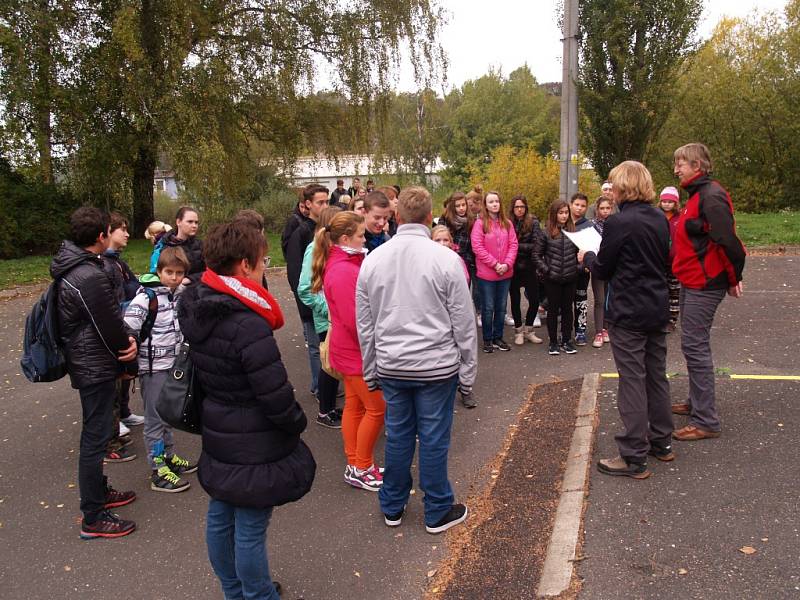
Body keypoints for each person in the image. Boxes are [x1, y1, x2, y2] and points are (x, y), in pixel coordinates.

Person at [179, 221, 315, 600]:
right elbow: (273, 394)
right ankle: (258, 595)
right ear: (243, 266)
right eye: (261, 262)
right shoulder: (246, 322)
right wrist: (295, 422)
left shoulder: (198, 304)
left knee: (222, 515)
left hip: (219, 426)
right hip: (254, 435)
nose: (262, 269)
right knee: (251, 524)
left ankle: (234, 591)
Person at [356, 186, 477, 534]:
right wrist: (468, 374)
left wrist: (371, 370)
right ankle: (437, 508)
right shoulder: (446, 260)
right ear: (429, 218)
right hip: (436, 366)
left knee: (398, 435)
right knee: (434, 437)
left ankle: (392, 504)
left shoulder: (373, 261)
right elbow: (464, 323)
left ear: (397, 217)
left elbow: (367, 325)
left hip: (392, 365)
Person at [579, 161, 673, 479]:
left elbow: (603, 268)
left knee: (632, 379)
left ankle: (634, 454)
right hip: (656, 307)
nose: (612, 191)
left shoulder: (620, 222)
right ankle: (661, 441)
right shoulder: (661, 218)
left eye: (615, 185)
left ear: (623, 187)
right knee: (656, 375)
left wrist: (588, 257)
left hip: (629, 311)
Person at [51, 207, 138, 539]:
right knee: (96, 438)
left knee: (98, 432)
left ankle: (99, 495)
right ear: (101, 236)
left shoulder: (77, 266)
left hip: (92, 360)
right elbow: (109, 321)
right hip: (94, 364)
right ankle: (92, 516)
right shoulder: (87, 274)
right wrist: (127, 349)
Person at [671, 142, 746, 441]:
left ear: (697, 166)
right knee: (691, 344)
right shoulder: (697, 195)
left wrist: (733, 278)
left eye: (681, 163)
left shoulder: (711, 196)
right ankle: (696, 404)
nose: (676, 168)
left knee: (695, 345)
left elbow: (729, 242)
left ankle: (706, 420)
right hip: (692, 279)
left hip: (705, 282)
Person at [313, 212, 386, 491]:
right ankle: (361, 466)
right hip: (356, 352)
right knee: (376, 409)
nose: (365, 239)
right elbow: (355, 321)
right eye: (360, 235)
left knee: (356, 406)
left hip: (351, 350)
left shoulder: (345, 263)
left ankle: (356, 462)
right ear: (345, 239)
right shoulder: (343, 270)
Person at [125, 246, 198, 492]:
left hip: (173, 366)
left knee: (167, 414)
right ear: (159, 271)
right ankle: (158, 470)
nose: (174, 277)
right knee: (155, 421)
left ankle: (168, 456)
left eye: (179, 273)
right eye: (169, 272)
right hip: (153, 369)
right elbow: (128, 325)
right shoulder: (147, 297)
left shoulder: (179, 295)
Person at [101, 212, 142, 463]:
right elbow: (111, 303)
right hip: (114, 330)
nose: (127, 234)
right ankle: (110, 438)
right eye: (122, 229)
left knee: (123, 377)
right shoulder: (104, 264)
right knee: (112, 382)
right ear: (108, 231)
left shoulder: (116, 261)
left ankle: (119, 421)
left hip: (124, 325)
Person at [297, 206, 343, 428]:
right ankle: (325, 412)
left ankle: (331, 407)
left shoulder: (336, 248)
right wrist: (330, 309)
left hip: (338, 318)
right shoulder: (314, 249)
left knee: (335, 365)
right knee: (329, 364)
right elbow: (305, 288)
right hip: (328, 319)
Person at [286, 184, 330, 398]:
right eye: (320, 202)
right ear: (308, 204)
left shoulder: (323, 229)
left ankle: (326, 383)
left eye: (327, 201)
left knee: (324, 345)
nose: (324, 206)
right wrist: (306, 304)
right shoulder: (302, 232)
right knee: (316, 347)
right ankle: (319, 386)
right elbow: (296, 273)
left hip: (322, 300)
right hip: (311, 302)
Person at [471, 191, 518, 353]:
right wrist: (495, 264)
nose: (494, 204)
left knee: (502, 307)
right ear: (485, 205)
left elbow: (513, 245)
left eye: (497, 201)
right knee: (488, 307)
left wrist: (506, 264)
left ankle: (498, 337)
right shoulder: (479, 224)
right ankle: (487, 339)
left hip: (505, 273)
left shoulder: (507, 223)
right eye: (491, 202)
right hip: (487, 274)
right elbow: (477, 247)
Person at [534, 200, 579, 355]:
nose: (564, 216)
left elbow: (582, 254)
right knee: (552, 310)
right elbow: (536, 255)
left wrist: (576, 269)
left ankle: (567, 340)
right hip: (552, 279)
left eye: (566, 212)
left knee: (568, 310)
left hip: (570, 278)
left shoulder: (574, 231)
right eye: (561, 213)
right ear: (554, 214)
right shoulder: (545, 232)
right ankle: (553, 342)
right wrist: (547, 270)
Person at [508, 195, 544, 346]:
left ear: (526, 207)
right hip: (513, 266)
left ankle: (529, 330)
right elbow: (506, 245)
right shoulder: (507, 222)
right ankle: (518, 331)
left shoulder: (533, 222)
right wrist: (518, 247)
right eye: (517, 207)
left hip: (530, 266)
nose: (519, 210)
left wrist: (516, 246)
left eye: (522, 206)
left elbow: (537, 244)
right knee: (515, 301)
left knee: (534, 300)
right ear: (513, 208)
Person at [149, 206, 205, 284]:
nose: (194, 225)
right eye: (190, 222)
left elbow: (210, 272)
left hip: (197, 288)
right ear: (178, 222)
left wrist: (190, 279)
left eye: (196, 222)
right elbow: (156, 273)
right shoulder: (164, 245)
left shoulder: (201, 246)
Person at [438, 191, 476, 291]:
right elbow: (439, 239)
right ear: (452, 207)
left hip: (465, 261)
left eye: (463, 205)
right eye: (458, 206)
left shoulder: (471, 220)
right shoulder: (445, 219)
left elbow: (472, 244)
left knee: (463, 291)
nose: (461, 208)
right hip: (446, 259)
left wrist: (467, 261)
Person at [590, 197, 614, 348]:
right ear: (597, 209)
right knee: (599, 299)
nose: (605, 211)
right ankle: (598, 331)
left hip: (612, 266)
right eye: (602, 208)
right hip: (598, 265)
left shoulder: (615, 224)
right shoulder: (592, 226)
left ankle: (606, 328)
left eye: (607, 208)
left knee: (608, 298)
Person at [658, 187, 682, 331]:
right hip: (659, 260)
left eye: (670, 202)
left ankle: (672, 320)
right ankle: (660, 317)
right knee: (660, 290)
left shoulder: (680, 218)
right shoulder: (656, 216)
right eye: (664, 201)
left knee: (674, 291)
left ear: (675, 203)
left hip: (675, 261)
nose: (666, 204)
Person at [570, 193, 592, 346]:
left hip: (582, 271)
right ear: (571, 204)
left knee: (581, 302)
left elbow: (593, 249)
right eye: (577, 204)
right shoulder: (563, 222)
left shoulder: (589, 225)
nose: (579, 208)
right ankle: (563, 332)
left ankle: (580, 331)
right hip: (564, 270)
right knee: (564, 303)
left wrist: (586, 266)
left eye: (583, 206)